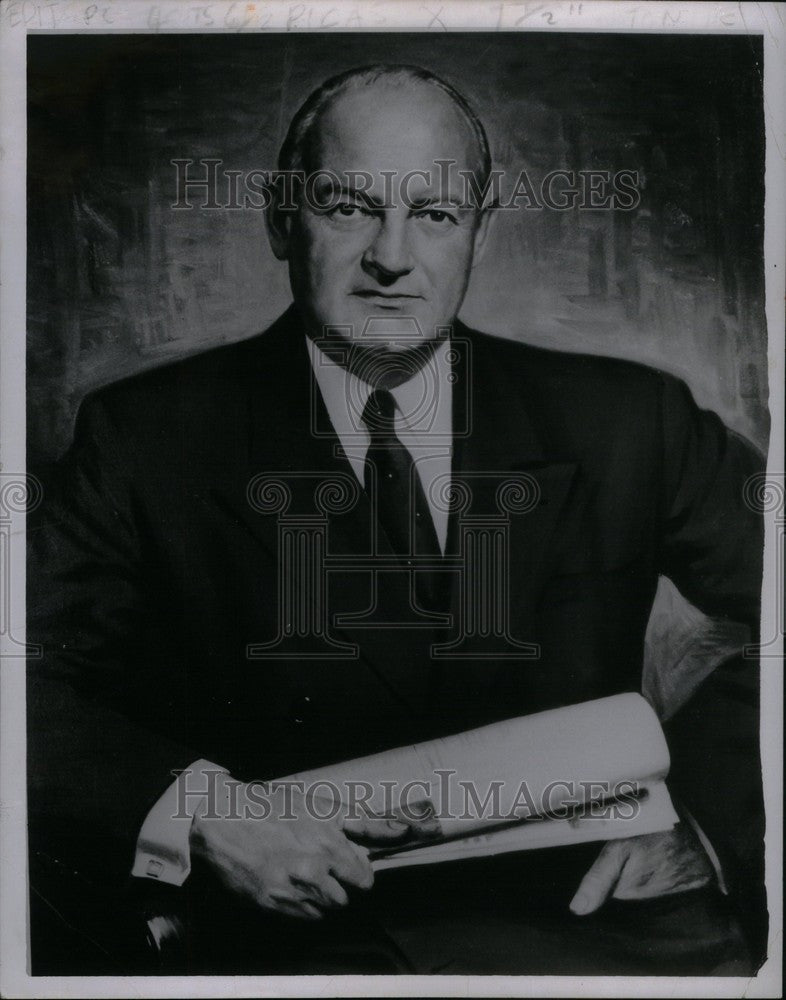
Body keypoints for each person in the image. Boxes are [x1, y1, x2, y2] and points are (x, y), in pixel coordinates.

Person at [27, 64, 766, 976]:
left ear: (480, 236)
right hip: (272, 948)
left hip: (592, 934)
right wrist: (193, 812)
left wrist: (705, 814)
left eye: (436, 214)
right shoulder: (143, 437)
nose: (391, 255)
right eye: (347, 206)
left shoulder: (628, 421)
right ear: (278, 217)